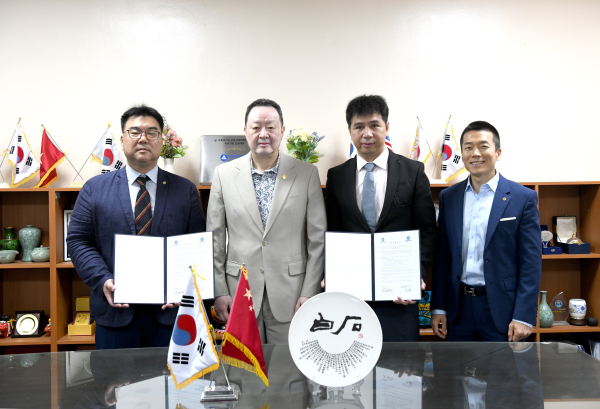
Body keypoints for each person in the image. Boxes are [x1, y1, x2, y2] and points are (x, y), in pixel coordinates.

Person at [66, 104, 205, 349]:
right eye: (135, 132)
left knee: (169, 375)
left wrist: (180, 288)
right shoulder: (94, 189)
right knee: (114, 375)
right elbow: (78, 241)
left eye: (152, 132)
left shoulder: (186, 190)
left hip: (171, 316)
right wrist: (103, 279)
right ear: (122, 140)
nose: (143, 138)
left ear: (162, 140)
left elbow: (195, 245)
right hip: (115, 313)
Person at [207, 98, 326, 344]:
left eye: (271, 127)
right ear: (245, 131)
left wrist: (310, 291)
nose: (264, 134)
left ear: (282, 131)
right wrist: (220, 291)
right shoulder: (223, 175)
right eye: (256, 127)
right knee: (244, 366)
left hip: (292, 293)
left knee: (287, 364)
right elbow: (215, 239)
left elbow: (318, 240)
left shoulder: (306, 174)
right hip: (239, 292)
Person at [325, 95, 437, 342]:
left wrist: (415, 275)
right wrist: (331, 272)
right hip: (352, 295)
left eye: (374, 125)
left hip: (399, 296)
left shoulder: (413, 171)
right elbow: (333, 231)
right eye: (359, 126)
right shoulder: (337, 176)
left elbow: (427, 229)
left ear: (386, 127)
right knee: (354, 359)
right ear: (350, 131)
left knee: (400, 362)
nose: (367, 133)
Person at [431, 121, 541, 341]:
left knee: (503, 365)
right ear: (462, 155)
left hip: (502, 310)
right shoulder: (449, 197)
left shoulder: (523, 198)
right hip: (458, 309)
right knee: (456, 364)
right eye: (468, 147)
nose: (475, 153)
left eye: (483, 146)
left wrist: (523, 315)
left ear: (498, 153)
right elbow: (443, 256)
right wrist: (438, 307)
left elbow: (531, 261)